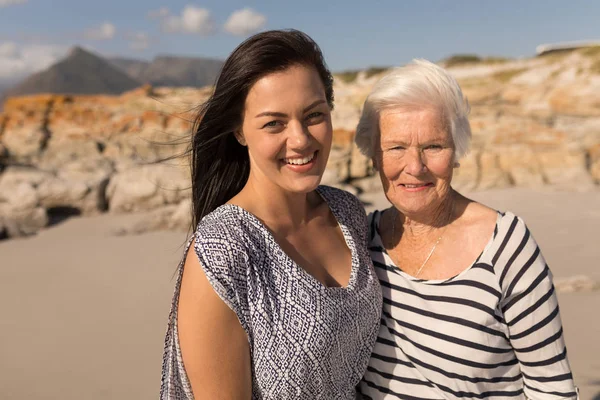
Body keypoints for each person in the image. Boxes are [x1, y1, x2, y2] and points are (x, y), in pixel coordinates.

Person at [160, 29, 382, 399]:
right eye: (273, 123)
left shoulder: (347, 212)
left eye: (313, 115)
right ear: (240, 131)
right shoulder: (224, 248)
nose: (300, 139)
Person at [354, 59, 578, 399]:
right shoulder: (360, 240)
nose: (414, 167)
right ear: (373, 156)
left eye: (433, 146)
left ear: (456, 151)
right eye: (396, 147)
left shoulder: (505, 245)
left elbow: (552, 387)